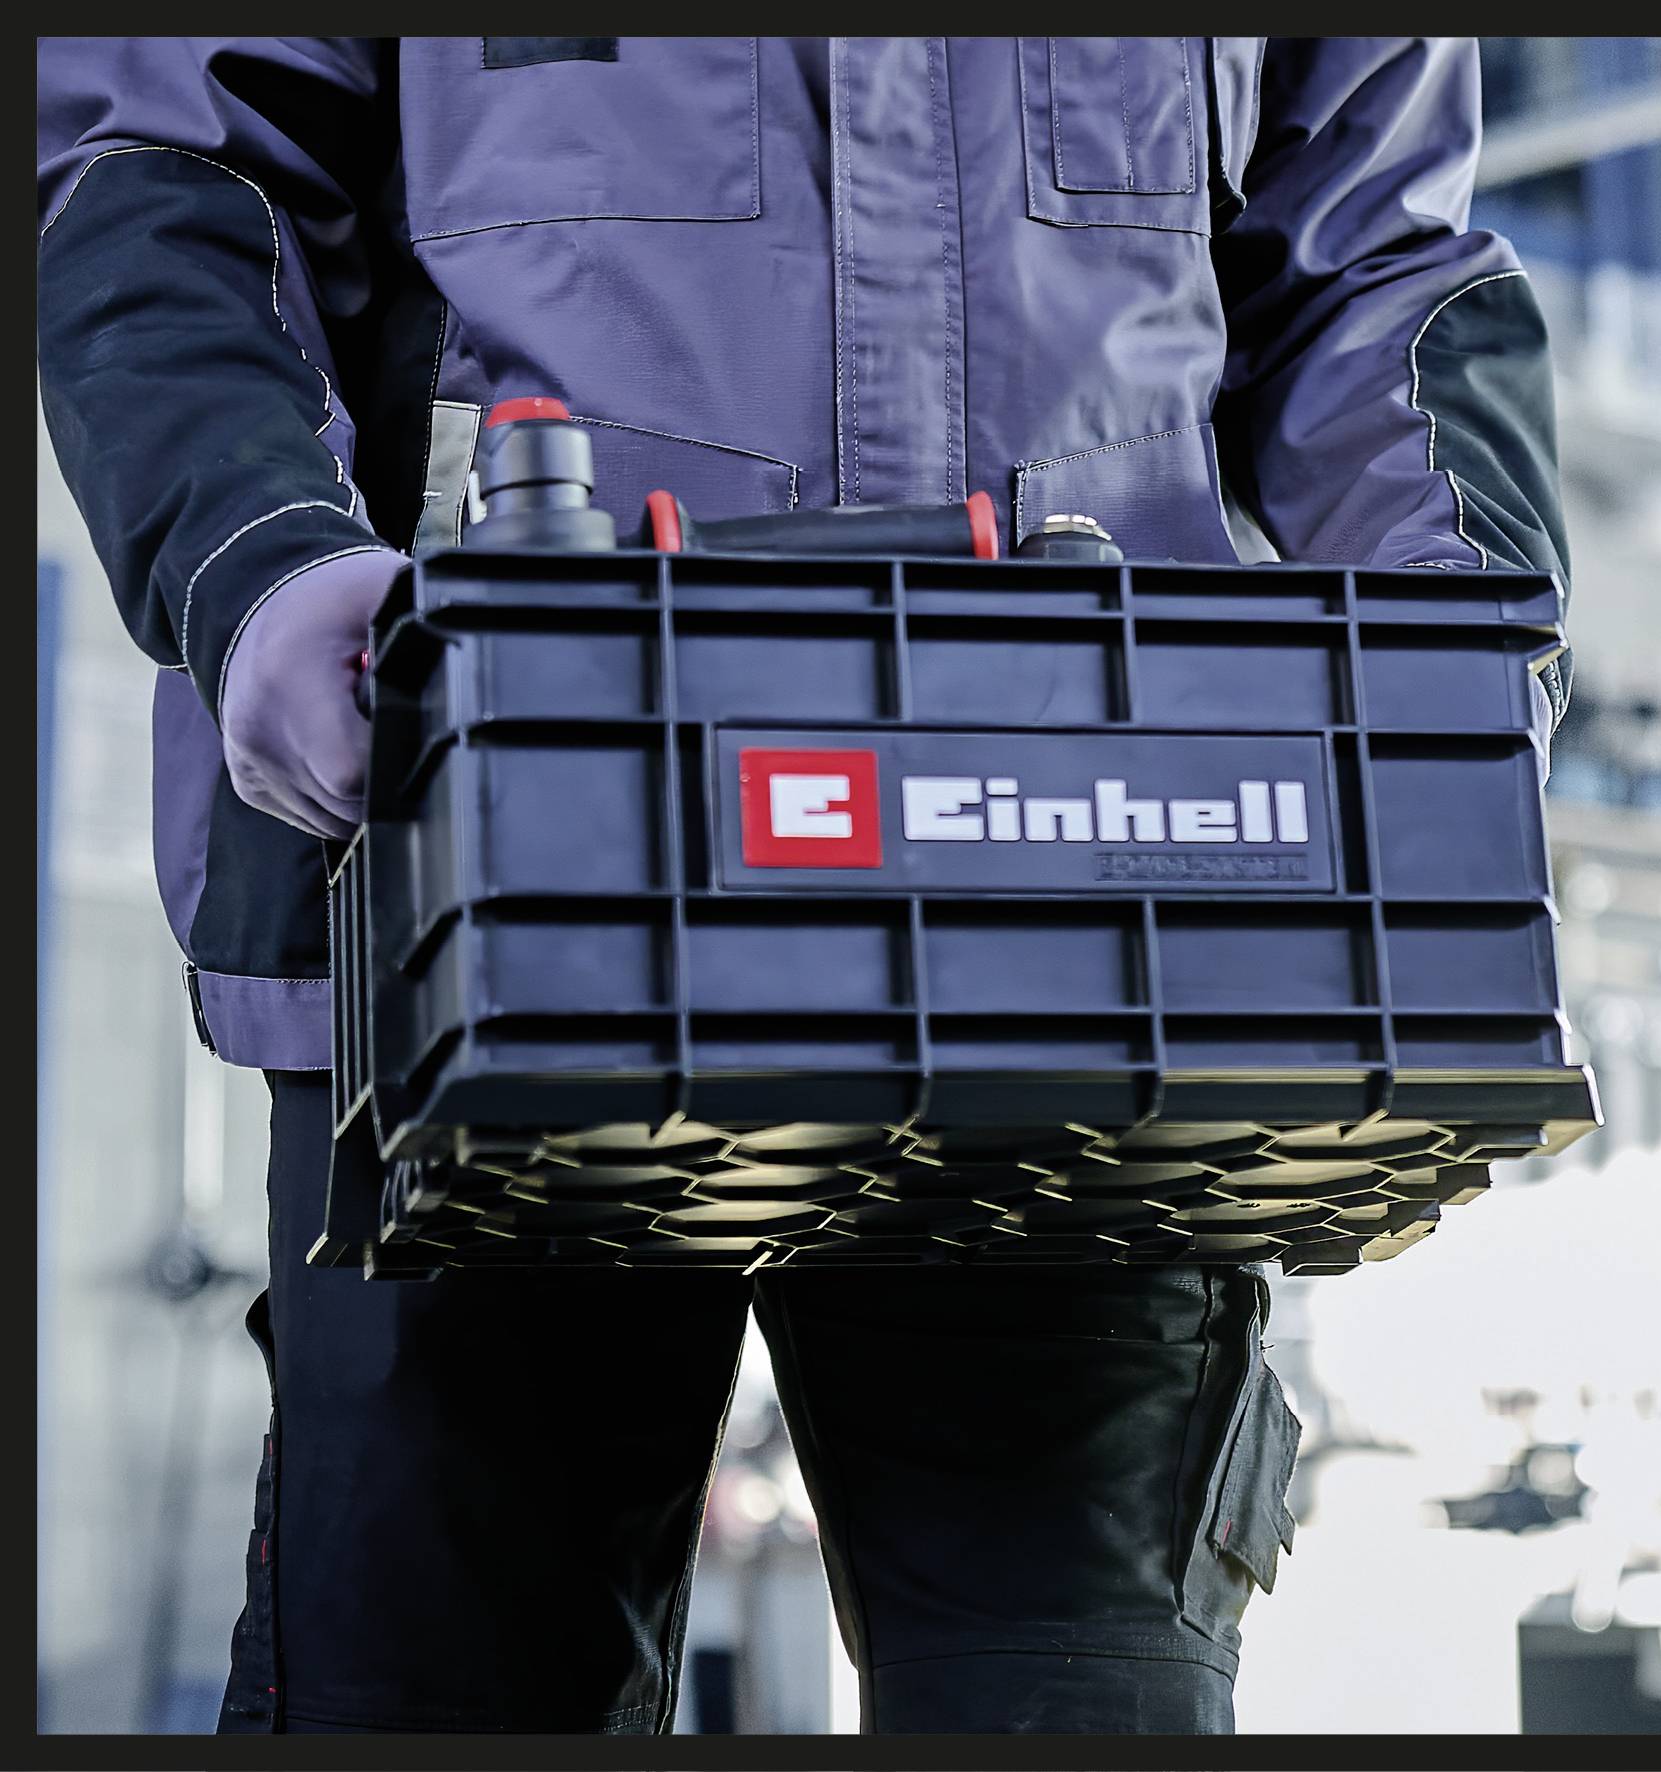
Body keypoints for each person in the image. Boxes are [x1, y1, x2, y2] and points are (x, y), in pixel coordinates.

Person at [37, 37, 1570, 1735]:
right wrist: (257, 559)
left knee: (1080, 1706)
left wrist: (1465, 649)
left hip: (1085, 924)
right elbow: (173, 165)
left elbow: (1375, 262)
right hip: (488, 917)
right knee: (436, 1695)